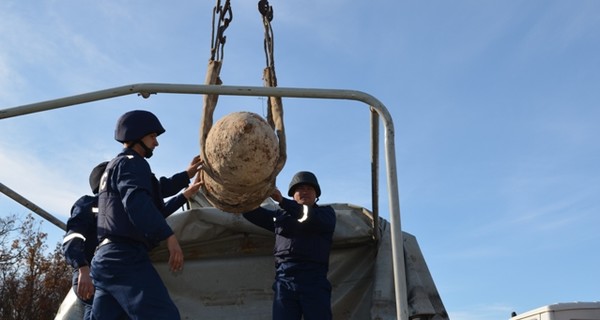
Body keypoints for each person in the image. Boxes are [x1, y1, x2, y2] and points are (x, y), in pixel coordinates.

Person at [90, 110, 203, 320]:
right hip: (125, 257)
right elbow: (137, 202)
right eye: (152, 137)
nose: (156, 143)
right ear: (136, 136)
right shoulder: (133, 162)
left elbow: (153, 194)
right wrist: (168, 236)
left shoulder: (117, 166)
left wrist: (185, 179)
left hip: (104, 261)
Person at [243, 171, 337, 320]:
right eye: (300, 189)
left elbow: (305, 216)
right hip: (284, 280)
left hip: (314, 280)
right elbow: (252, 214)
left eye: (309, 189)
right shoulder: (280, 217)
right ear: (293, 194)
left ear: (316, 194)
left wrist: (282, 200)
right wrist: (244, 193)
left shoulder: (326, 214)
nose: (305, 191)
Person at [62, 161, 108, 320]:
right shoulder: (88, 203)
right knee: (98, 309)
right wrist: (82, 268)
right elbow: (72, 238)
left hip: (108, 272)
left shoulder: (121, 207)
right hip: (89, 272)